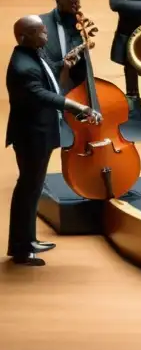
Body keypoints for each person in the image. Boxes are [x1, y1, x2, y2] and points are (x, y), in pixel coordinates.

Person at [6, 16, 101, 266]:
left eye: (45, 30)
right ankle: (20, 249)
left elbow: (47, 75)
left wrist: (64, 64)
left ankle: (27, 240)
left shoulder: (33, 53)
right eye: (40, 32)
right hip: (31, 137)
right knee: (28, 189)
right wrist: (78, 107)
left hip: (39, 133)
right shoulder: (22, 67)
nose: (46, 35)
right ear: (25, 36)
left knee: (33, 188)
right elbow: (43, 94)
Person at [40, 0, 85, 89]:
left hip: (77, 83)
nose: (78, 6)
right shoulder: (42, 24)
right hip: (54, 82)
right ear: (59, 2)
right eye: (73, 3)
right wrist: (62, 64)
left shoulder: (80, 23)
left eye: (78, 1)